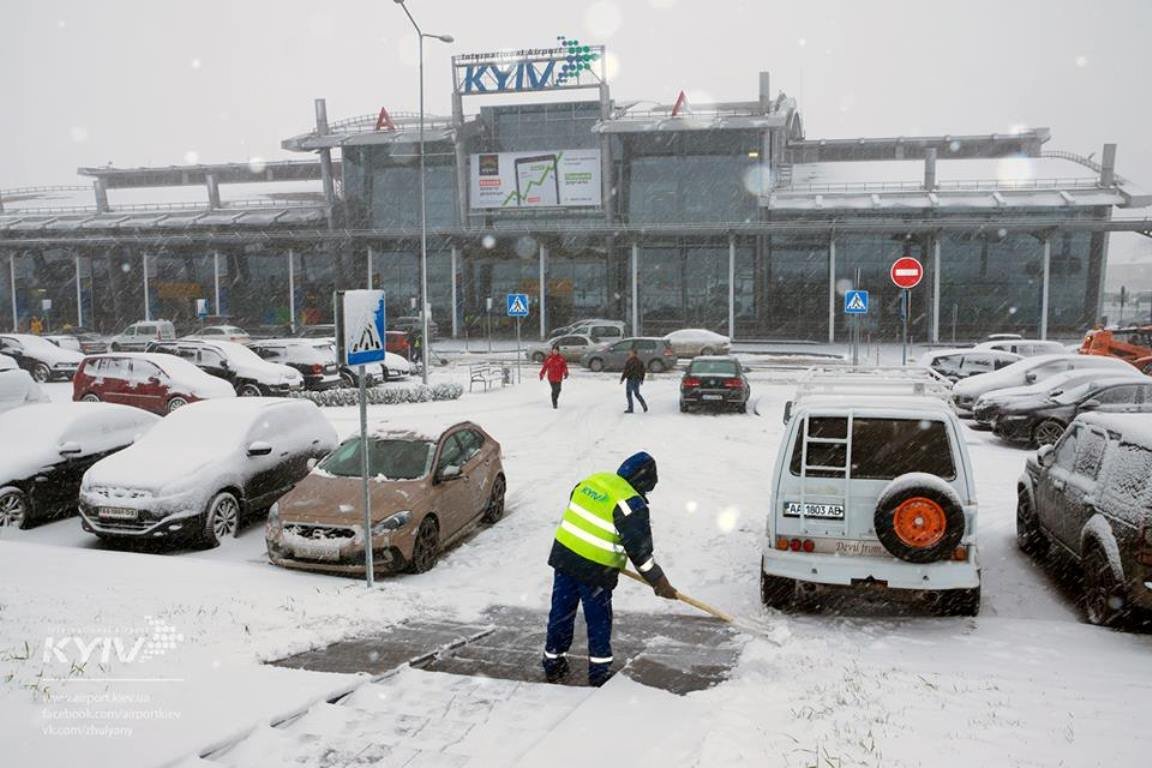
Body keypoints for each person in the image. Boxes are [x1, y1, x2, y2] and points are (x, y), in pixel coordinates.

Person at [541, 452, 676, 687]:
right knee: (598, 621)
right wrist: (659, 581)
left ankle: (553, 661)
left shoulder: (595, 480)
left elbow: (578, 500)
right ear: (644, 482)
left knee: (561, 612)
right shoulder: (630, 504)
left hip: (564, 556)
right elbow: (641, 554)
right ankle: (599, 673)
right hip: (595, 569)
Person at [620, 349, 647, 413]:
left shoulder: (629, 361)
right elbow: (643, 371)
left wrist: (622, 379)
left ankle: (630, 408)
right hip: (637, 379)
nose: (629, 354)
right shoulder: (640, 361)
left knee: (629, 394)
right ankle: (644, 405)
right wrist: (641, 379)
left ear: (634, 354)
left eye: (630, 353)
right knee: (637, 393)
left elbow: (626, 371)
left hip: (631, 379)